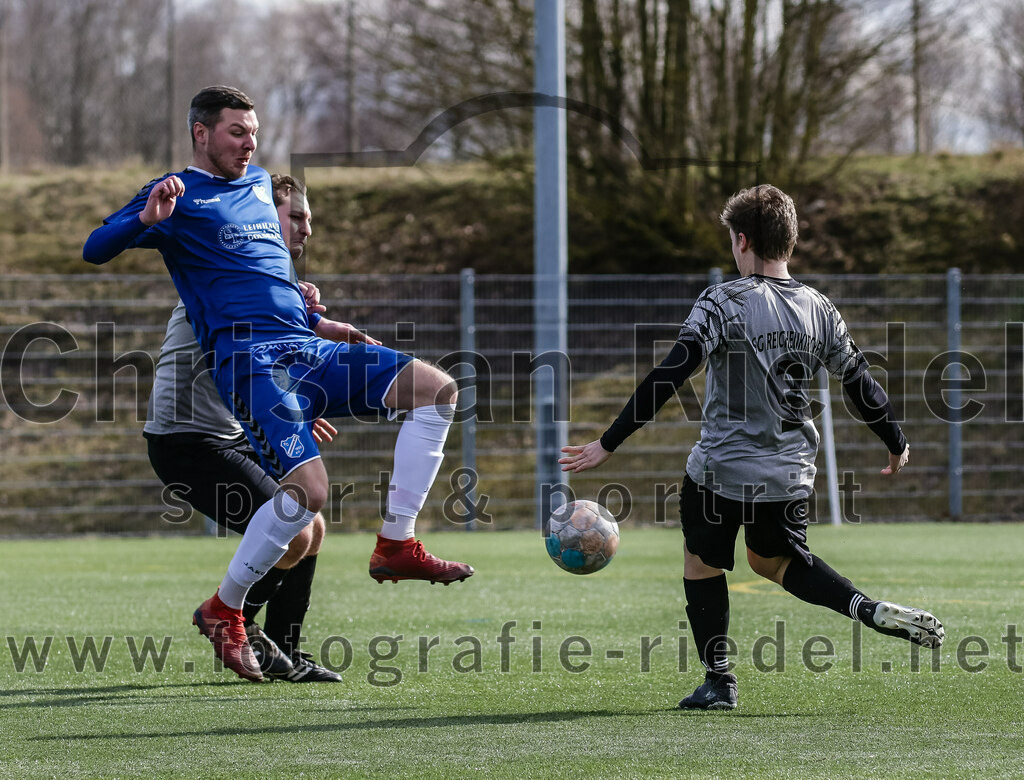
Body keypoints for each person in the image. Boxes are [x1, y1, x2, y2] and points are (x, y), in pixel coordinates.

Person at [84, 85, 473, 683]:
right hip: (246, 366)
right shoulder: (178, 195)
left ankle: (396, 544)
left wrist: (314, 317)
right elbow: (94, 247)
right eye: (236, 131)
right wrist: (145, 219)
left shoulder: (264, 185)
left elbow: (265, 281)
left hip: (303, 352)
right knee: (308, 498)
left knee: (439, 390)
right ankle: (226, 610)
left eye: (253, 131)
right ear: (200, 132)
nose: (248, 142)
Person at [559, 184, 944, 711]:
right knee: (774, 561)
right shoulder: (820, 309)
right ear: (789, 242)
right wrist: (895, 440)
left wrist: (608, 442)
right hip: (789, 473)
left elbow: (671, 373)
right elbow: (859, 382)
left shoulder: (723, 301)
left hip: (721, 471)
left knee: (702, 561)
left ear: (742, 241)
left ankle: (719, 681)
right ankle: (865, 607)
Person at [144, 175, 346, 682]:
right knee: (295, 529)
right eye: (295, 218)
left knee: (312, 525)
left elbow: (271, 360)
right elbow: (238, 351)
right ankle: (231, 622)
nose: (305, 231)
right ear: (258, 220)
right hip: (185, 440)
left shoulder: (271, 287)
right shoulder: (226, 276)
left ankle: (284, 653)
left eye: (308, 221)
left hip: (230, 432)